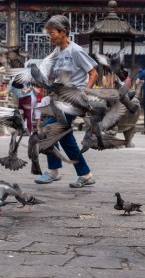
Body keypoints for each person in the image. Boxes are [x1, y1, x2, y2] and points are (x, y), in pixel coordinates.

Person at [34, 15, 98, 188]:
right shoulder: (57, 51)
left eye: (52, 33)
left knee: (49, 129)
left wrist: (84, 94)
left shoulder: (76, 50)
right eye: (49, 33)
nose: (50, 37)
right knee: (64, 137)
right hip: (59, 100)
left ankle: (54, 171)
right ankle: (84, 174)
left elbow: (93, 73)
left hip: (72, 101)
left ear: (63, 32)